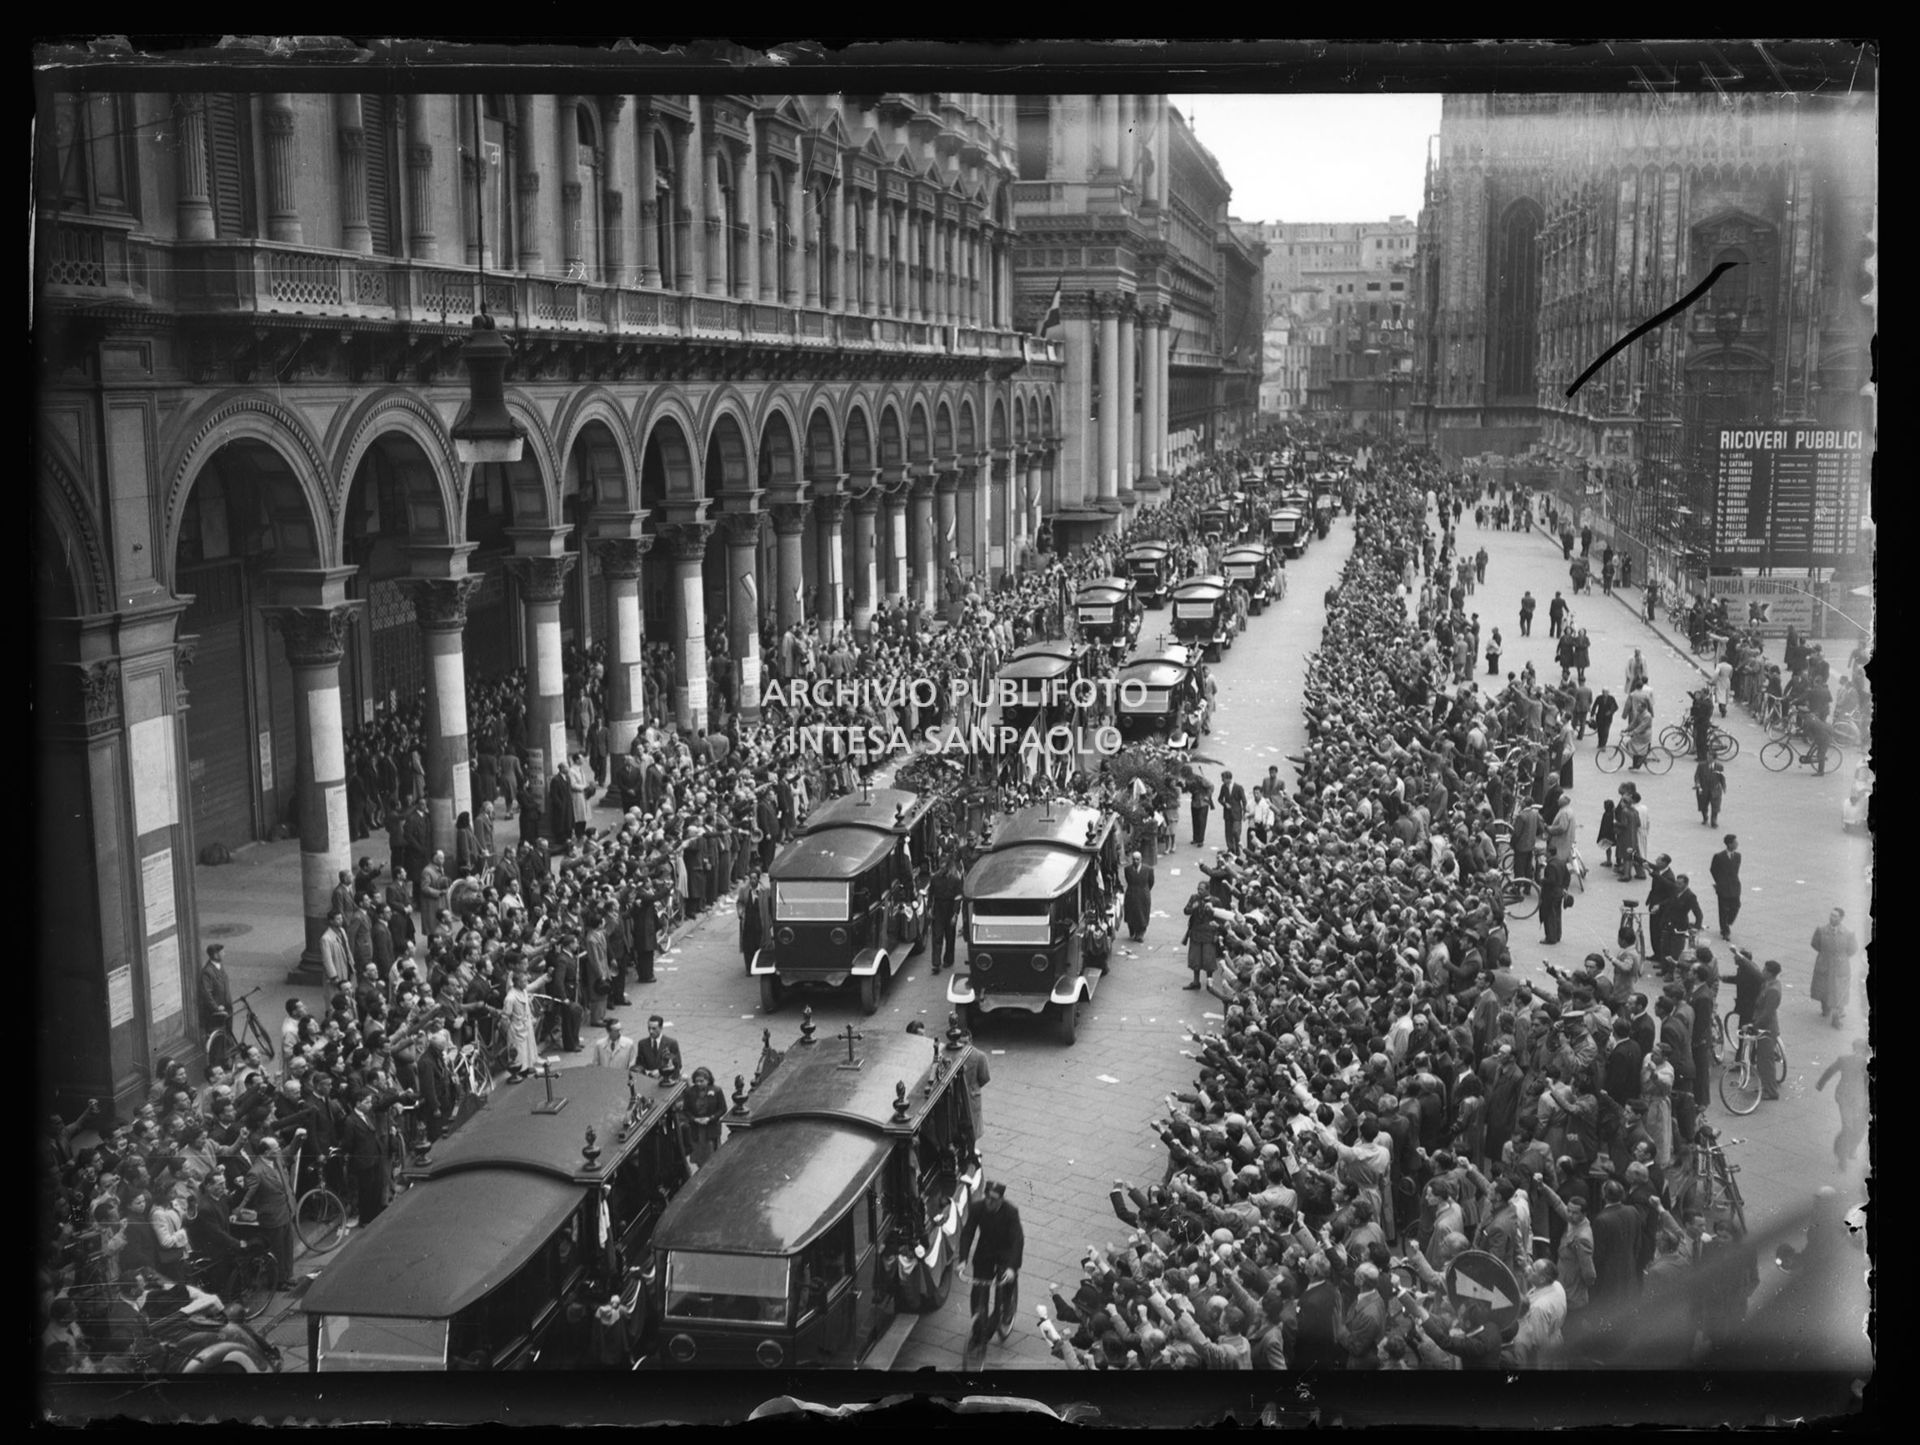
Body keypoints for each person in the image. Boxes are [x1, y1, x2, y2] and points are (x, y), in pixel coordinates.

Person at [239, 1133, 301, 1290]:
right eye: (276, 1149)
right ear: (266, 1152)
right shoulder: (256, 1172)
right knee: (277, 1250)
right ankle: (278, 1282)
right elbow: (249, 1197)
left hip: (285, 1210)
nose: (279, 1150)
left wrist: (298, 1137)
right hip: (271, 1217)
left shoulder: (277, 1160)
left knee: (287, 1246)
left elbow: (289, 1152)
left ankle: (288, 1276)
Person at [958, 1182, 1024, 1324]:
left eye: (993, 1200)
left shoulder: (1010, 1212)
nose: (989, 1202)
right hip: (985, 1251)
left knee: (1006, 1280)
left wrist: (1012, 1268)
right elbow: (968, 1233)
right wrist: (963, 1260)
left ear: (1001, 1199)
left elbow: (1017, 1241)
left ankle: (1007, 1307)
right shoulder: (977, 1208)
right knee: (978, 1291)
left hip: (1005, 1252)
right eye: (987, 1197)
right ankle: (977, 1326)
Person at [1815, 1038, 1870, 1168]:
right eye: (1857, 1049)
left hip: (1860, 1099)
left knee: (1859, 1129)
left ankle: (1851, 1148)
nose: (1859, 1053)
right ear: (1854, 1049)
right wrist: (1820, 1083)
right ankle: (1842, 1156)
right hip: (1844, 1097)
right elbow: (1830, 1070)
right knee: (1848, 1126)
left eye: (1862, 1051)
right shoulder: (1844, 1060)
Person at [1809, 908, 1858, 1029]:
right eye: (1831, 915)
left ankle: (1837, 1014)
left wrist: (1841, 957)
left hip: (1840, 965)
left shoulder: (1848, 933)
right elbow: (1815, 944)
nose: (1832, 918)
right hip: (1825, 963)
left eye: (1835, 916)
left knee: (1839, 989)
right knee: (1823, 985)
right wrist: (1825, 954)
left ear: (1841, 918)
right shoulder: (1821, 930)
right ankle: (1825, 1008)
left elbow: (1852, 949)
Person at [681, 1067, 727, 1169]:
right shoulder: (690, 1092)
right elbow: (686, 1110)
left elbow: (722, 1109)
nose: (699, 1083)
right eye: (696, 1081)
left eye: (701, 1081)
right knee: (699, 1153)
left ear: (708, 1080)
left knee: (712, 1153)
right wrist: (694, 1119)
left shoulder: (717, 1091)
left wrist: (711, 1118)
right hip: (696, 1129)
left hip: (710, 1128)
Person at [929, 856, 963, 974]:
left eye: (943, 868)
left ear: (948, 868)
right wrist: (929, 909)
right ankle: (936, 963)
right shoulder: (934, 879)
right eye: (940, 867)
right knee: (937, 936)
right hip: (938, 909)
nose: (941, 870)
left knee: (950, 937)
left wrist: (955, 914)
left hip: (950, 909)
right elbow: (931, 894)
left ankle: (948, 960)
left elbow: (958, 898)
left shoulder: (955, 880)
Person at [198, 944, 234, 1043]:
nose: (224, 954)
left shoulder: (219, 966)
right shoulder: (207, 972)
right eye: (222, 952)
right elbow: (206, 994)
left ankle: (229, 1049)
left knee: (229, 1031)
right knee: (220, 1036)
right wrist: (216, 1008)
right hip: (218, 1011)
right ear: (215, 955)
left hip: (227, 1006)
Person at [1709, 835, 1742, 940]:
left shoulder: (1738, 856)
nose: (1737, 844)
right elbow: (1713, 869)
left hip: (1734, 885)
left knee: (1736, 905)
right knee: (1723, 909)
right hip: (1723, 887)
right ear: (1729, 844)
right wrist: (1719, 882)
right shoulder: (1719, 856)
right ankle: (1725, 930)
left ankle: (1728, 921)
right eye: (1735, 842)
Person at [634, 1014, 682, 1079]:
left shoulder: (671, 1043)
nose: (651, 1031)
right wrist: (648, 1073)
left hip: (665, 1080)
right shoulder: (642, 1044)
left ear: (661, 1028)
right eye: (649, 1028)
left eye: (654, 1029)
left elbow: (677, 1065)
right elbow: (639, 1064)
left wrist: (661, 1072)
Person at [1123, 850, 1155, 942]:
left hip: (1143, 894)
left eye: (1137, 859)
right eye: (1133, 859)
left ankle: (1140, 934)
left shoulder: (1148, 869)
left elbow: (1151, 882)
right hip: (1131, 893)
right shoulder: (1127, 869)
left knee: (1142, 914)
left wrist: (1145, 890)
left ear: (1141, 859)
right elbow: (1128, 880)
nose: (1135, 861)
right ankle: (1132, 929)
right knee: (1131, 913)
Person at [1219, 770, 1248, 853]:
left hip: (1237, 813)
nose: (1222, 780)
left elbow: (1244, 800)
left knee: (1235, 831)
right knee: (1228, 832)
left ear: (1228, 779)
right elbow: (1220, 799)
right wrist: (1225, 804)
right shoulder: (1223, 787)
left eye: (1223, 778)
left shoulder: (1238, 787)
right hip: (1227, 813)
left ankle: (1237, 847)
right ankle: (1231, 848)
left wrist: (1244, 812)